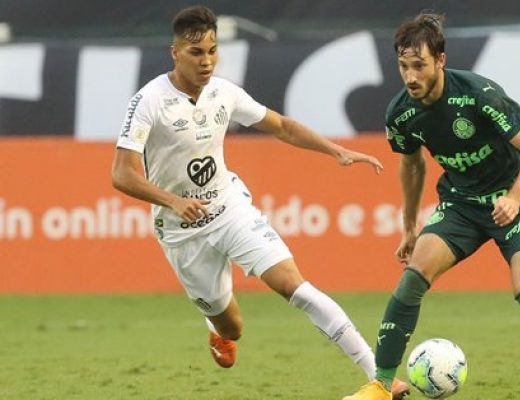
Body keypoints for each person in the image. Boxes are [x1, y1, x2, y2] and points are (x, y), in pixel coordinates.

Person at [110, 5, 409, 399]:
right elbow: (122, 174)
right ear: (175, 52)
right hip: (182, 232)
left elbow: (282, 126)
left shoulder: (223, 92)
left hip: (228, 206)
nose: (207, 61)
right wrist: (172, 201)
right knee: (233, 327)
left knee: (293, 285)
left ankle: (381, 380)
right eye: (196, 52)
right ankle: (217, 330)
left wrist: (335, 151)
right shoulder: (149, 101)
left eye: (213, 51)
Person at [343, 12, 520, 400]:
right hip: (461, 205)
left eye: (419, 66)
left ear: (440, 61)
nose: (410, 76)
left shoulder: (479, 94)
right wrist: (410, 225)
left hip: (516, 202)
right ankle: (381, 384)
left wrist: (514, 198)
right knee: (412, 279)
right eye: (403, 66)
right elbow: (412, 164)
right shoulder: (400, 114)